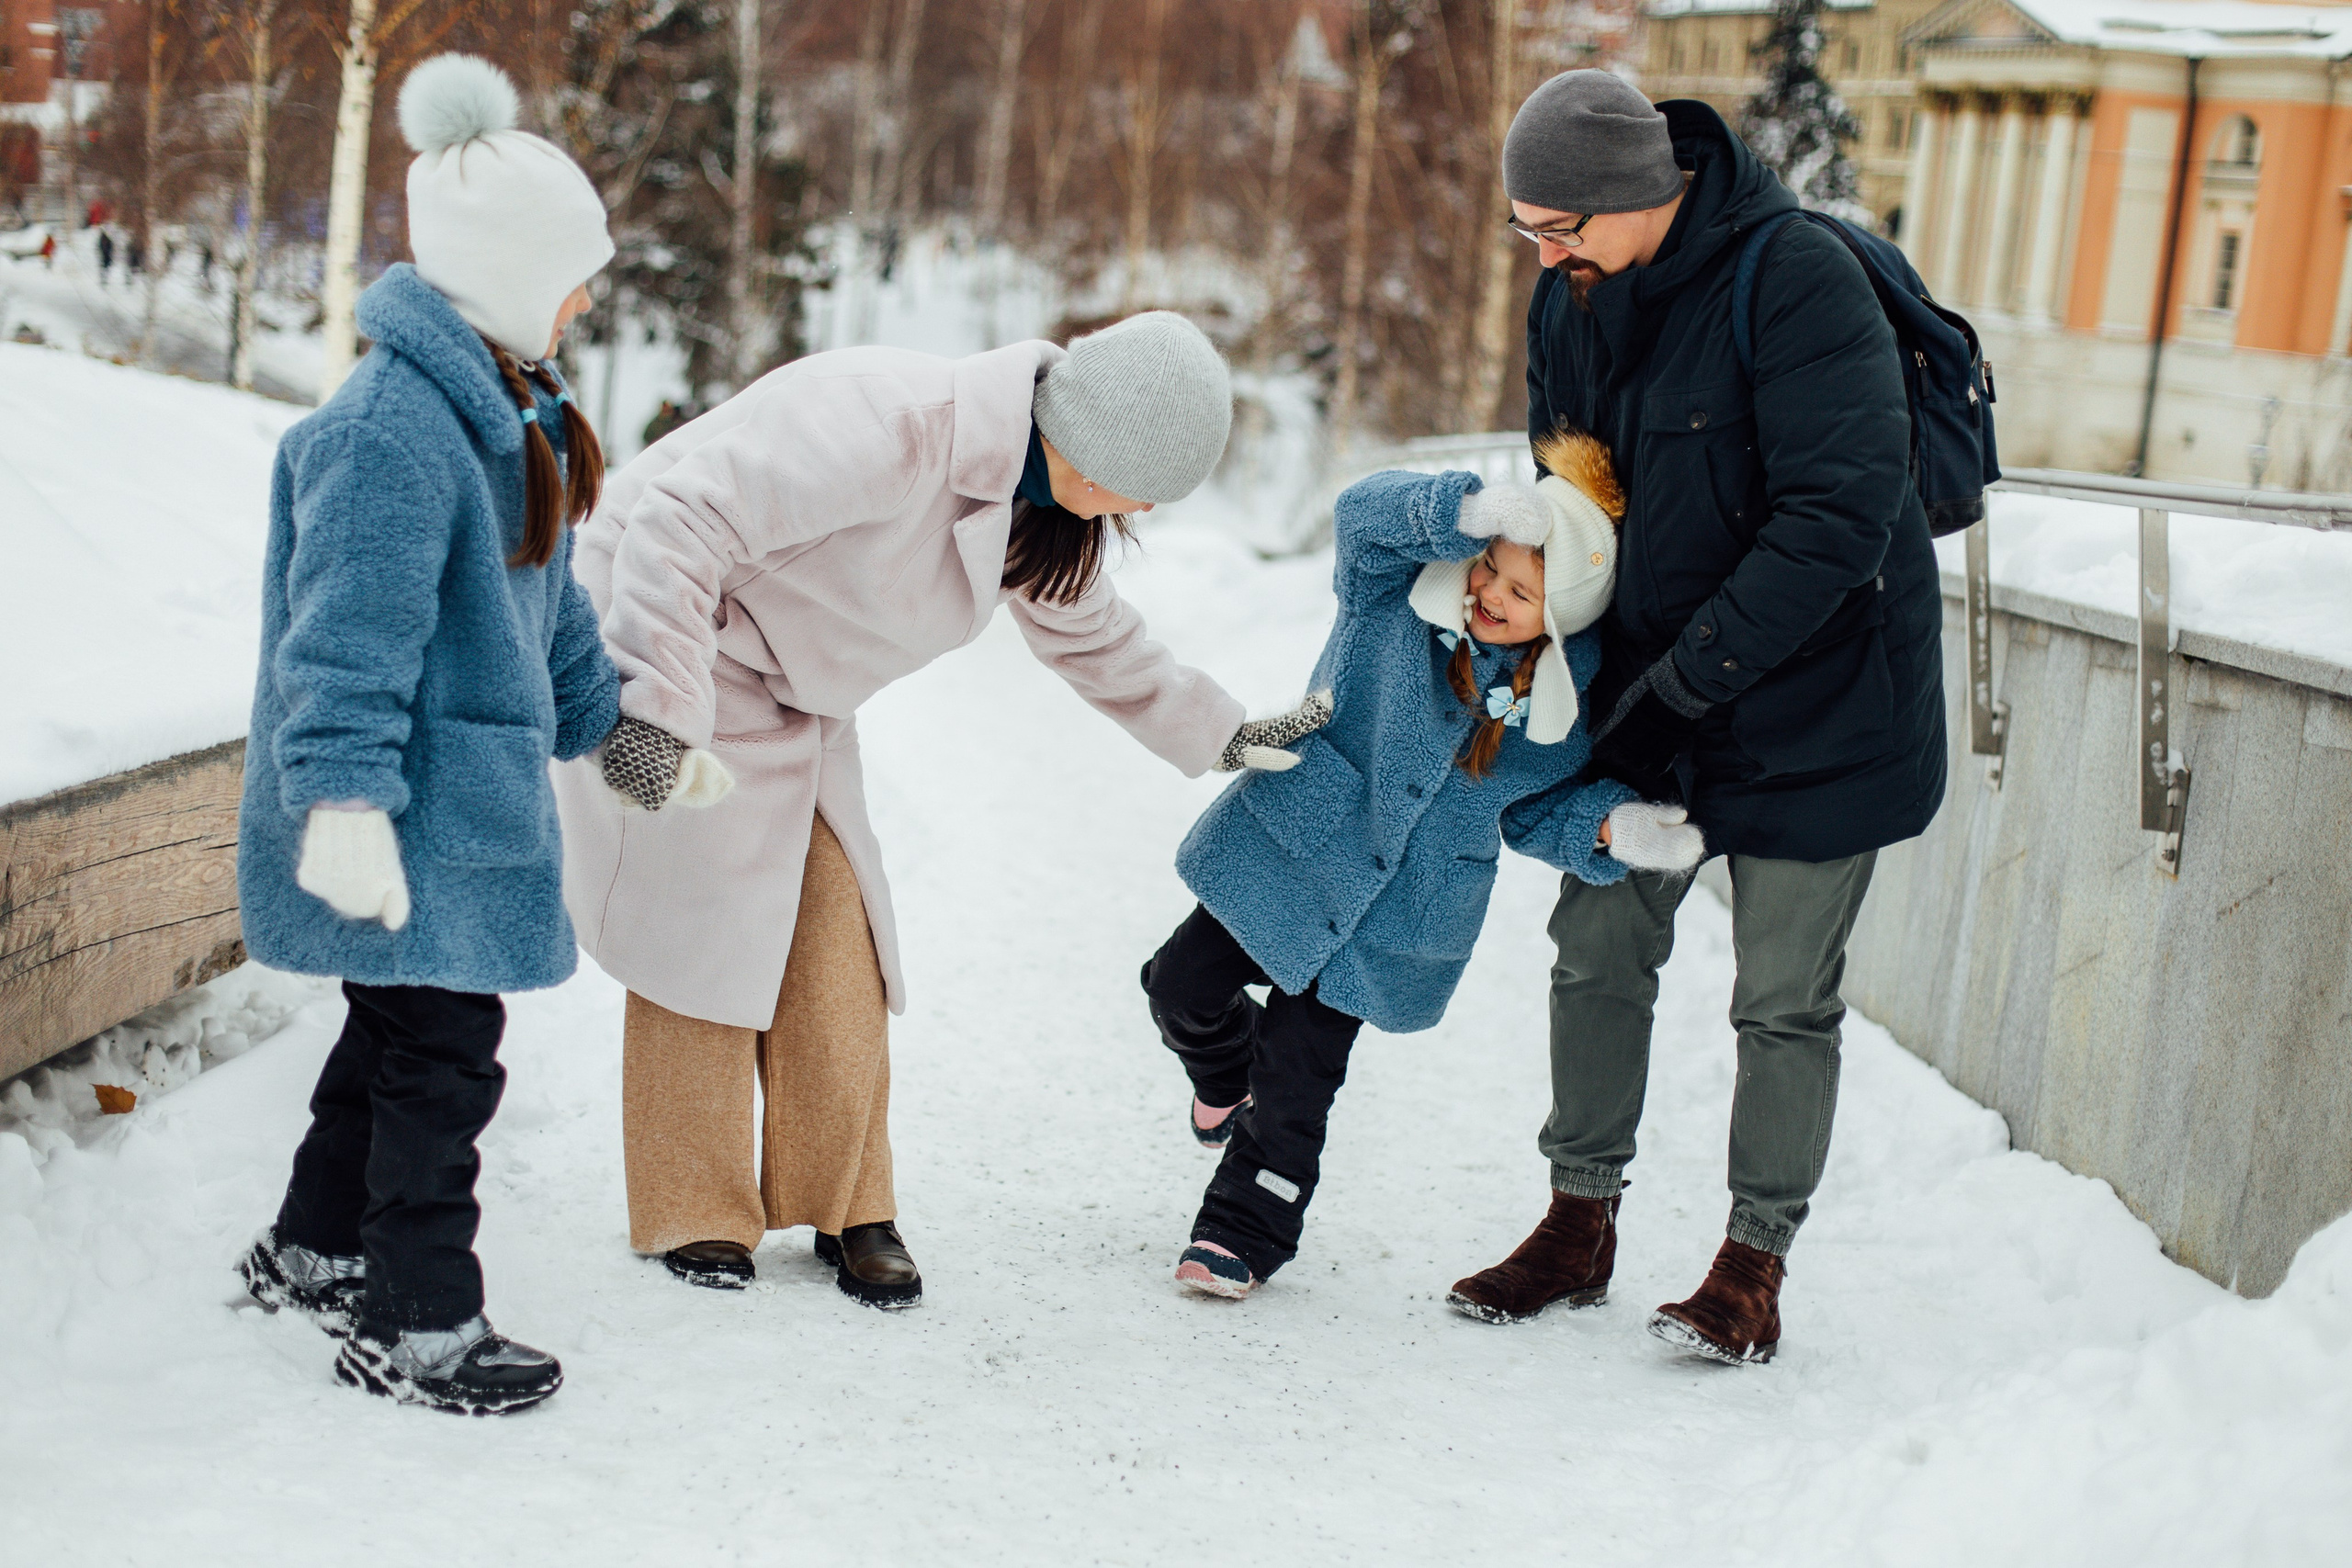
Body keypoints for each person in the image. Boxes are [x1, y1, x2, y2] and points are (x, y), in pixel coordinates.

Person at [553, 310, 1329, 1306]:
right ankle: (696, 1209)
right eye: (1148, 485)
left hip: (796, 694)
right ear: (1094, 446)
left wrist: (1220, 731)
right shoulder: (892, 422)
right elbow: (678, 521)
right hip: (671, 648)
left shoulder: (1044, 502)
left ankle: (849, 1209)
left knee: (839, 940)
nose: (1145, 508)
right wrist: (653, 708)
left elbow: (1092, 636)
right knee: (699, 932)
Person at [1445, 73, 1948, 1365]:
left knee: (1784, 995)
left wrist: (1682, 681)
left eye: (1560, 228)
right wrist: (1546, 640)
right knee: (1599, 938)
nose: (1546, 258)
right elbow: (1575, 501)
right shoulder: (1573, 303)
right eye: (1530, 235)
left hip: (1824, 700)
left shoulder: (1795, 281)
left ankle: (1751, 1261)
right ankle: (1578, 1220)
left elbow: (1835, 519)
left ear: (1635, 195)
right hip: (1656, 692)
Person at [233, 54, 642, 1416]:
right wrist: (343, 809)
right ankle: (413, 1317)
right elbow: (338, 645)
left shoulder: (507, 410)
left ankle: (312, 1244)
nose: (587, 301)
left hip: (455, 811)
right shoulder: (391, 433)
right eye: (573, 275)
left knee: (390, 1037)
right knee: (441, 1060)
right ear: (509, 273)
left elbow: (551, 614)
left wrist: (622, 743)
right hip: (401, 817)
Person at [1142, 430, 1706, 1300]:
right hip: (1291, 856)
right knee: (1179, 984)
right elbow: (1361, 517)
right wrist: (1464, 510)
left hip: (1393, 920)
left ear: (1561, 620)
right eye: (1491, 568)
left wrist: (1611, 830)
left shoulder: (1560, 715)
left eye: (1523, 592)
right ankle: (1224, 1075)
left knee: (1299, 1083)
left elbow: (1536, 816)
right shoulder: (1392, 602)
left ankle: (1240, 1235)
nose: (1491, 594)